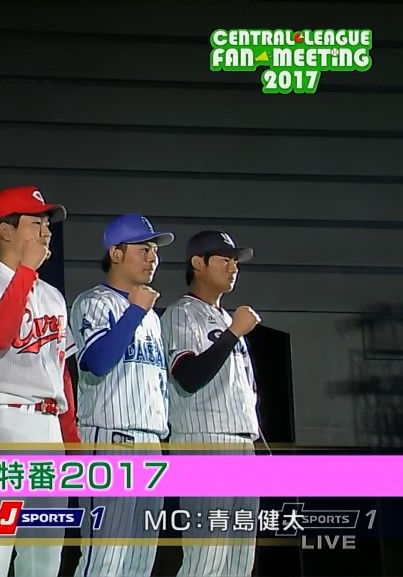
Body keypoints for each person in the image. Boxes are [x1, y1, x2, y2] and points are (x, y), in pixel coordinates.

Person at [0, 186, 77, 577]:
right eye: (36, 223)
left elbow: (60, 370)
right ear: (5, 232)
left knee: (44, 555)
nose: (47, 232)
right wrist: (25, 273)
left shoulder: (52, 296)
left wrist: (70, 438)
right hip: (2, 423)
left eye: (47, 224)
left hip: (48, 428)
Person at [69, 213, 174, 577]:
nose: (152, 257)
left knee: (140, 562)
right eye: (143, 249)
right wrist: (134, 312)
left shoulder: (152, 317)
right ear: (116, 253)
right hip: (110, 439)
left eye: (154, 250)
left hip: (151, 444)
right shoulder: (94, 302)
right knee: (105, 558)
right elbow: (97, 362)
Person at [161, 231, 261, 577]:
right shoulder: (181, 313)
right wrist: (234, 333)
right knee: (206, 558)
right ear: (198, 263)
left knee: (239, 563)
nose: (233, 267)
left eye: (235, 261)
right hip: (203, 441)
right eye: (224, 259)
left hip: (241, 442)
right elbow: (188, 376)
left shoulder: (228, 318)